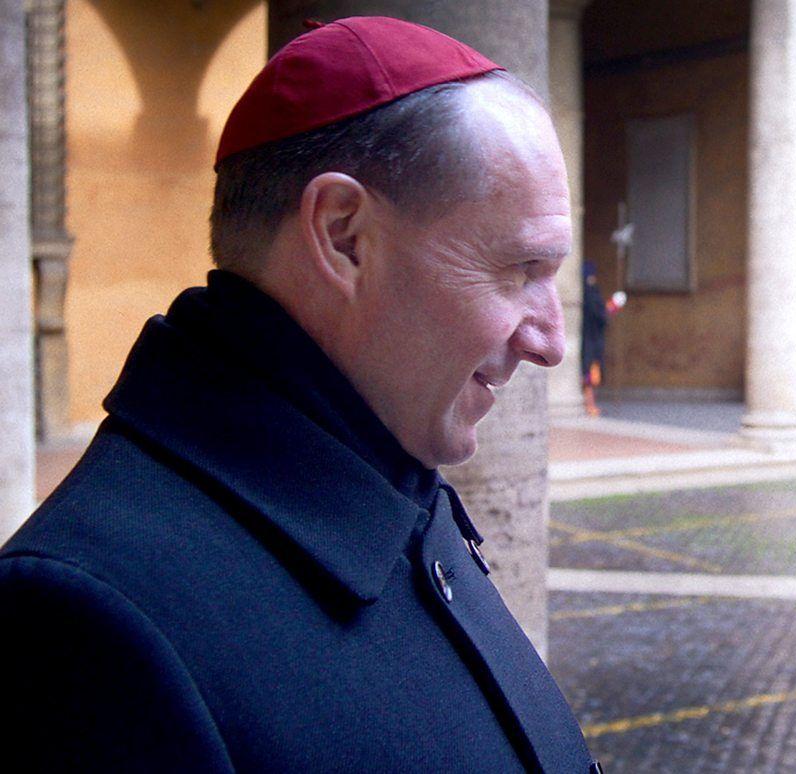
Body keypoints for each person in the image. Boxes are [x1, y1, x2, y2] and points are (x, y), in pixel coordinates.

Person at [0, 17, 599, 772]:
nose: (550, 341)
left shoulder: (386, 466)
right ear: (344, 237)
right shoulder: (85, 624)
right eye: (517, 270)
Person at [580, 262, 625, 416]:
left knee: (590, 372)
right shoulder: (591, 292)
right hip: (591, 339)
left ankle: (590, 404)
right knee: (590, 373)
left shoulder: (584, 291)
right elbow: (602, 315)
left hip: (588, 337)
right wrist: (614, 305)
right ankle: (589, 404)